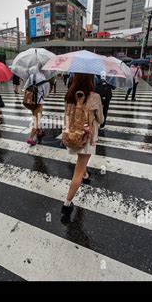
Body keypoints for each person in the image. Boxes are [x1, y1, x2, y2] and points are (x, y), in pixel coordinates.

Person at [61, 73, 104, 217]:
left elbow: (66, 115)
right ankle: (67, 204)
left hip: (72, 134)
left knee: (81, 161)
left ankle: (85, 174)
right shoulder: (95, 97)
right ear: (91, 80)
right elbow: (101, 119)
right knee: (78, 170)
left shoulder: (69, 95)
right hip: (87, 137)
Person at [24, 71, 50, 146]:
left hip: (31, 102)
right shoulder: (44, 78)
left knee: (35, 118)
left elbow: (25, 87)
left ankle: (39, 131)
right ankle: (31, 138)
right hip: (39, 103)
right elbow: (46, 94)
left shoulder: (31, 76)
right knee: (37, 120)